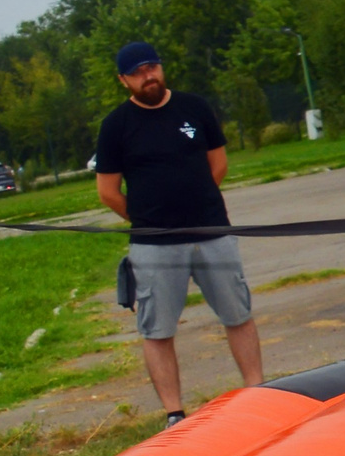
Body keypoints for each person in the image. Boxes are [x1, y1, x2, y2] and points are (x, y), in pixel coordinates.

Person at [93, 42, 262, 427]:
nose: (147, 76)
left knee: (238, 314)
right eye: (137, 73)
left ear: (161, 68)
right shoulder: (116, 126)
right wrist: (147, 218)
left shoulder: (195, 108)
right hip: (154, 245)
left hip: (212, 232)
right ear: (123, 80)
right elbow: (107, 192)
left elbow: (218, 164)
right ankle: (174, 414)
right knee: (157, 330)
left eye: (152, 67)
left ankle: (257, 392)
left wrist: (196, 204)